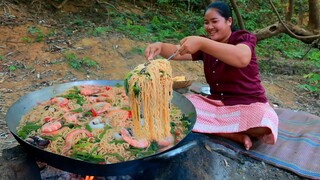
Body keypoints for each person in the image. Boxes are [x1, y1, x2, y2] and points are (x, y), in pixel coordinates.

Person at [144, 1, 278, 150]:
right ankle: (231, 134)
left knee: (265, 121)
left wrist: (202, 43)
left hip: (247, 105)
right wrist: (160, 46)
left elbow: (242, 58)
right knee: (178, 105)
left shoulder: (243, 38)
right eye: (206, 22)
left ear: (229, 21)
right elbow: (177, 51)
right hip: (216, 106)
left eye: (214, 21)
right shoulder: (206, 44)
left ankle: (216, 127)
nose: (209, 27)